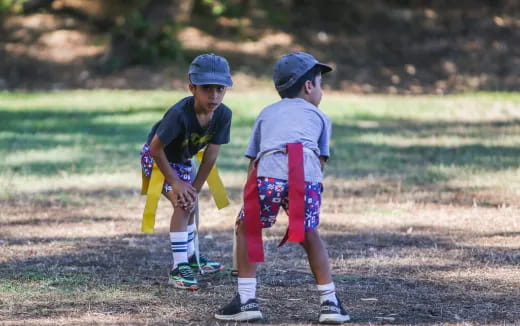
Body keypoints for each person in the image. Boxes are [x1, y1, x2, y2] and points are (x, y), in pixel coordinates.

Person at [215, 52, 350, 323]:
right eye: (320, 84)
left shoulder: (267, 113)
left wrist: (254, 197)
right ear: (309, 86)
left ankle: (246, 300)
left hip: (270, 176)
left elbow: (254, 162)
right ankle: (330, 303)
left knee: (247, 227)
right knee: (309, 233)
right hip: (307, 177)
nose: (321, 90)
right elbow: (320, 161)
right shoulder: (321, 117)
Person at [141, 53, 233, 290]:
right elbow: (154, 148)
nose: (214, 95)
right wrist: (177, 183)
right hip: (157, 160)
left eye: (220, 89)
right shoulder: (179, 114)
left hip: (182, 162)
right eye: (206, 88)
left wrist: (194, 188)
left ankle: (191, 259)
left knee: (189, 202)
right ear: (192, 87)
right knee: (183, 204)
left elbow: (210, 156)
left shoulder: (223, 115)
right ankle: (178, 268)